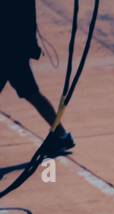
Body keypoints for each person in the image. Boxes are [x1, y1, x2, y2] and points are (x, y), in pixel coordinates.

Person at [1, 0, 74, 154]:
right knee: (32, 94)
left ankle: (61, 135)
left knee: (32, 93)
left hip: (9, 52)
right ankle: (61, 135)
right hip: (15, 51)